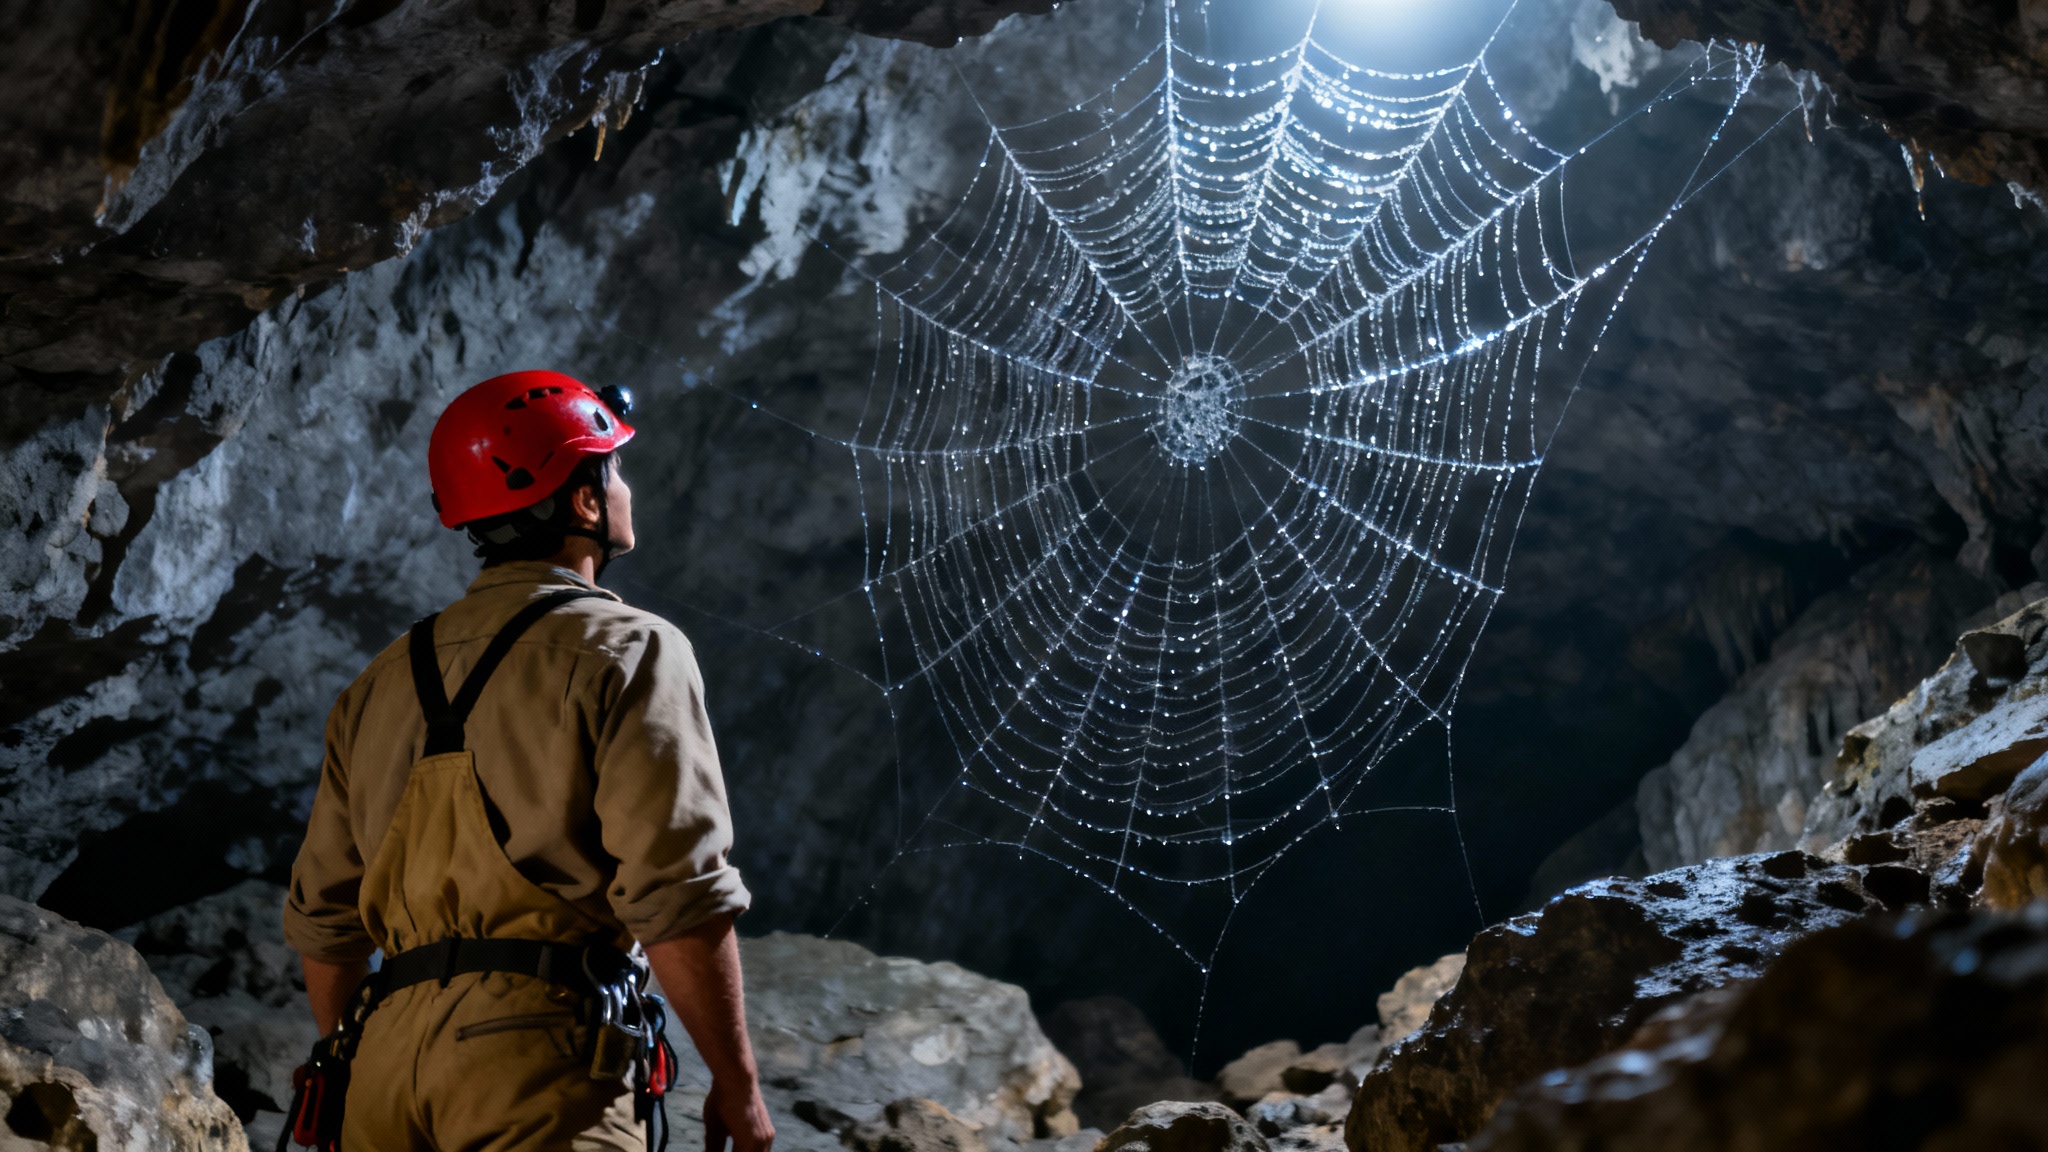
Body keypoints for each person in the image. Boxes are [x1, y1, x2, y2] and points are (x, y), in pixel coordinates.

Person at [282, 370, 776, 1152]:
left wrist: (357, 1062)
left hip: (381, 1068)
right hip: (537, 1061)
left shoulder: (375, 684)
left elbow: (322, 928)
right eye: (613, 469)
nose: (626, 486)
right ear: (583, 501)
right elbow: (678, 894)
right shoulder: (632, 650)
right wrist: (738, 1085)